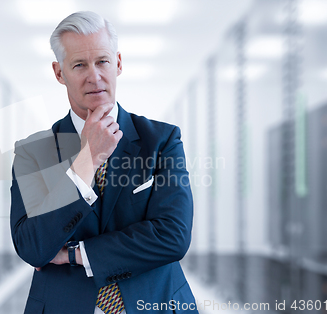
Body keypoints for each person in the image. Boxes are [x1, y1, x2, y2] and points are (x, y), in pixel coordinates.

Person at [10, 11, 197, 314]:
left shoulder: (161, 141)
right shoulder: (33, 152)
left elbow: (173, 237)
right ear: (59, 73)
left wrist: (75, 254)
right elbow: (33, 247)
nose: (94, 76)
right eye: (79, 65)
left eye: (102, 61)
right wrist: (88, 160)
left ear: (118, 63)